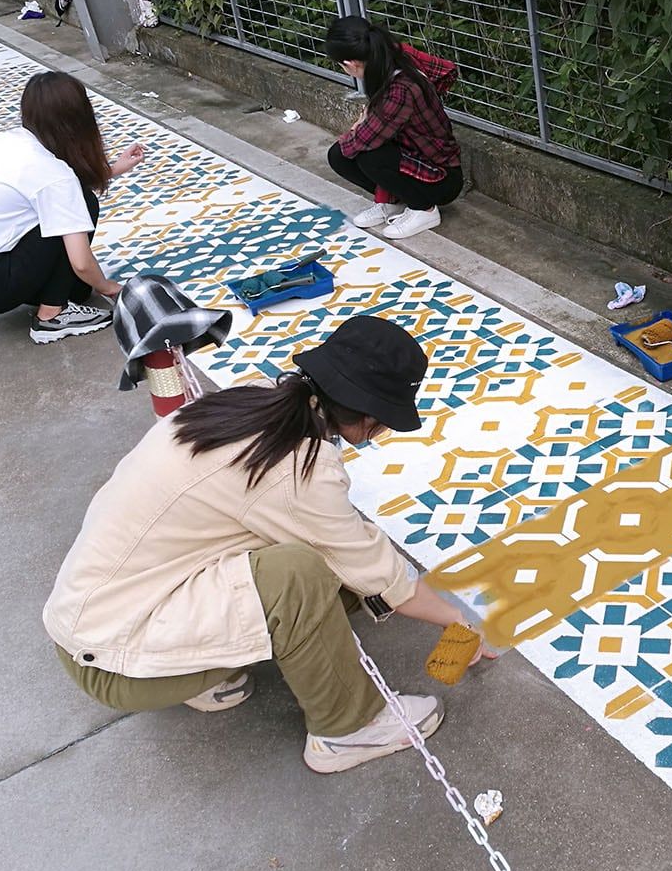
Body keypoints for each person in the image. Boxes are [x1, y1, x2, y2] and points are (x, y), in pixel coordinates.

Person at [43, 316, 492, 775]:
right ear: (370, 418)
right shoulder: (297, 468)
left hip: (94, 618)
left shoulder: (254, 401)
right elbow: (380, 574)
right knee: (301, 573)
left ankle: (197, 667)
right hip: (114, 662)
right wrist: (459, 621)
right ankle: (346, 730)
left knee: (317, 559)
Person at [0, 70, 143, 344]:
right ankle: (51, 316)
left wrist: (110, 170)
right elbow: (80, 261)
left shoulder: (6, 141)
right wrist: (112, 289)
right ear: (79, 120)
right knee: (83, 205)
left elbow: (52, 185)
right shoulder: (55, 174)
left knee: (79, 291)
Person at [325, 15, 463, 241]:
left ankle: (424, 210)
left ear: (351, 64)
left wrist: (358, 126)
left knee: (361, 155)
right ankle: (394, 202)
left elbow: (361, 141)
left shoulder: (400, 89)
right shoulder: (390, 55)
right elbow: (444, 71)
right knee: (343, 154)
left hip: (442, 177)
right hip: (414, 151)